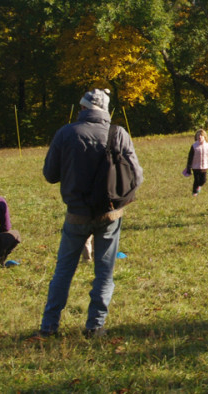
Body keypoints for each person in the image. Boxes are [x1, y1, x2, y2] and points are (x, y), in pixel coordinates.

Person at [39, 88, 143, 339]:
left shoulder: (65, 133)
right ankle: (95, 326)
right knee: (104, 273)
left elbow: (50, 175)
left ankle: (49, 327)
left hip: (76, 213)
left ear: (83, 108)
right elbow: (137, 176)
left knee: (63, 272)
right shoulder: (119, 133)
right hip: (110, 214)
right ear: (106, 110)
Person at [186, 129, 208, 197]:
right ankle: (194, 192)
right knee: (196, 180)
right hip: (195, 167)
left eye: (201, 135)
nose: (200, 137)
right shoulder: (194, 146)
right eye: (198, 135)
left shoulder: (207, 146)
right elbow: (190, 157)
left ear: (204, 137)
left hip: (204, 167)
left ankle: (199, 187)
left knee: (203, 180)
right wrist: (188, 167)